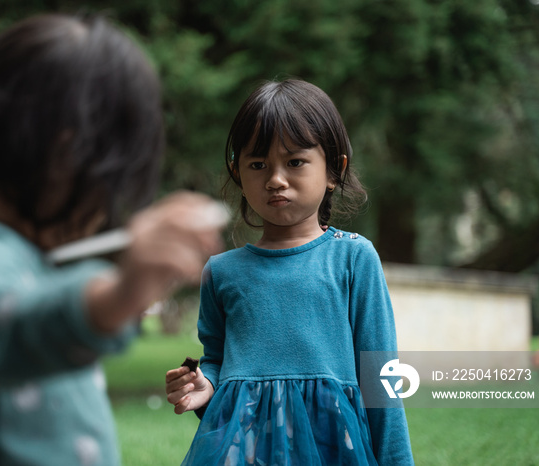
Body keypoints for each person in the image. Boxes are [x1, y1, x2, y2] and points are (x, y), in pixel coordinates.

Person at [0, 14, 224, 466]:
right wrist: (119, 293)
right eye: (108, 188)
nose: (105, 213)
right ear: (66, 157)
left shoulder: (6, 253)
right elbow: (0, 328)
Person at [165, 79, 414, 465]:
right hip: (244, 450)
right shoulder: (221, 272)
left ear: (334, 170)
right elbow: (217, 358)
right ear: (238, 173)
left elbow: (382, 377)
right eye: (258, 164)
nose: (275, 179)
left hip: (333, 447)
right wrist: (205, 384)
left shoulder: (354, 258)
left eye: (295, 162)